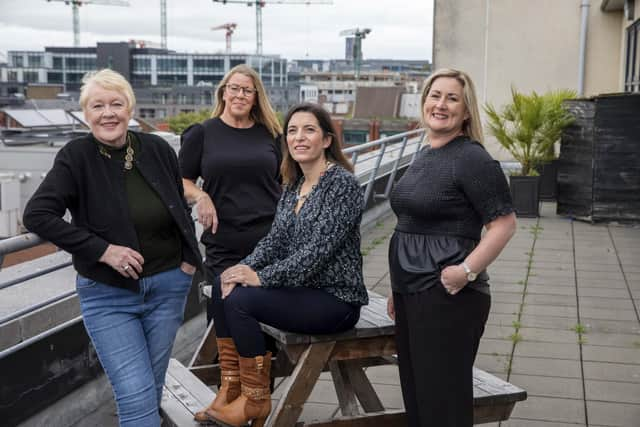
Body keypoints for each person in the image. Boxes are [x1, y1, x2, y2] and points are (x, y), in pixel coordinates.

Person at [22, 69, 201, 427]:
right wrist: (103, 250)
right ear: (86, 114)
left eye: (116, 104)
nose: (108, 113)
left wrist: (188, 263)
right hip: (109, 295)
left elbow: (177, 205)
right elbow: (37, 215)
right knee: (136, 398)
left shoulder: (156, 148)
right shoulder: (76, 156)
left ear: (129, 108)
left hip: (169, 287)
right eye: (98, 106)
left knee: (151, 389)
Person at [196, 103, 369, 427]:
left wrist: (261, 277)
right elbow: (274, 242)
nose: (299, 137)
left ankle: (255, 400)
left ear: (327, 140)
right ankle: (231, 389)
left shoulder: (341, 185)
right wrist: (240, 270)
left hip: (335, 299)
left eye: (309, 130)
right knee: (222, 284)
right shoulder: (293, 186)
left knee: (242, 301)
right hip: (301, 290)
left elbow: (318, 252)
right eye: (292, 131)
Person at [386, 68, 517, 427]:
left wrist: (466, 271)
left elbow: (504, 224)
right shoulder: (425, 153)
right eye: (434, 95)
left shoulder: (471, 158)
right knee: (417, 395)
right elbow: (413, 224)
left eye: (451, 98)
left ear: (466, 110)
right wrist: (398, 290)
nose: (440, 104)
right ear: (424, 101)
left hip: (448, 295)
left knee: (443, 401)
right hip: (412, 290)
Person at [178, 64, 283, 422]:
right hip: (224, 242)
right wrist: (201, 196)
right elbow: (181, 180)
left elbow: (290, 179)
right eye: (234, 88)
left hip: (270, 244)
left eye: (247, 91)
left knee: (258, 316)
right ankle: (229, 389)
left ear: (256, 98)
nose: (239, 95)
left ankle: (254, 397)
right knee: (225, 311)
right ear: (223, 91)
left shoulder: (272, 133)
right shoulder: (203, 133)